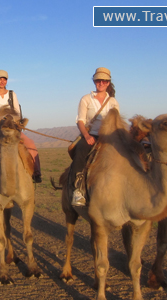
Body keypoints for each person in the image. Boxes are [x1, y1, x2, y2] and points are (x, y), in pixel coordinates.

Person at [70, 67, 120, 206]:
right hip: (90, 135)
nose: (101, 83)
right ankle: (78, 191)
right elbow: (80, 120)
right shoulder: (86, 99)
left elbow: (116, 123)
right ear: (94, 81)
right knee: (80, 151)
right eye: (99, 80)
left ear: (108, 83)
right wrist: (86, 136)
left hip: (109, 137)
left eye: (104, 81)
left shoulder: (113, 102)